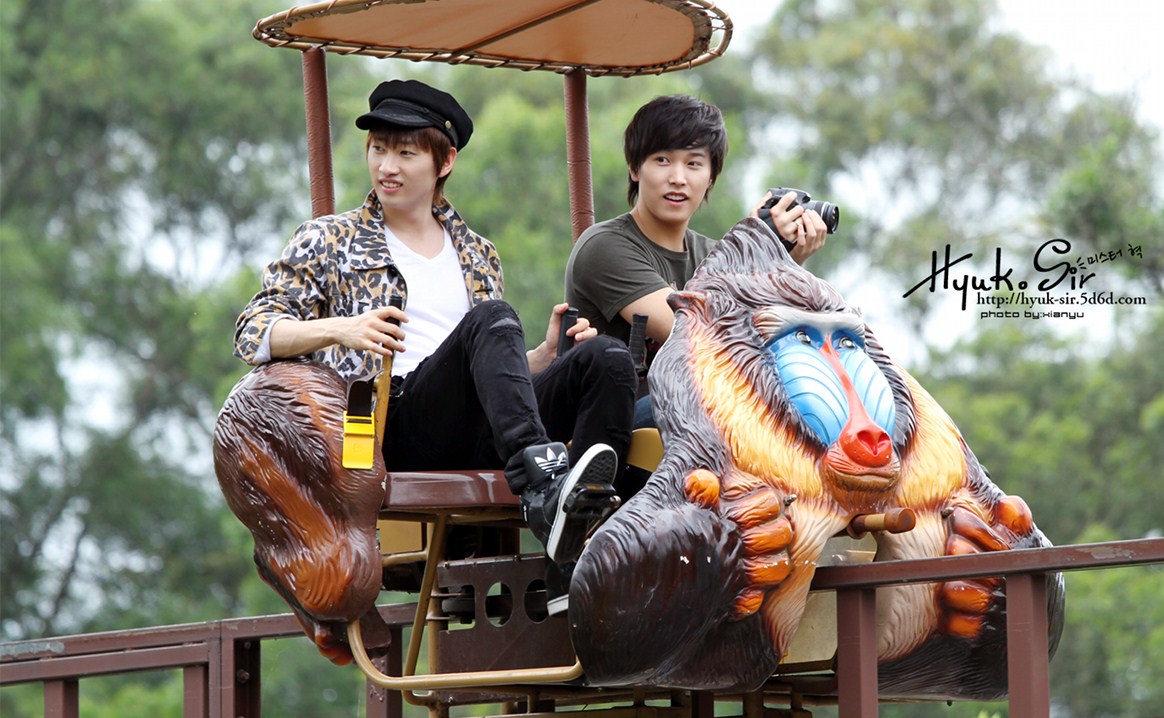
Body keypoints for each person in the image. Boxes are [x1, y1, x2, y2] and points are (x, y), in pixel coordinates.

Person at [235, 79, 637, 612]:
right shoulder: (328, 239)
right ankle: (545, 490)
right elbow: (253, 331)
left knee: (606, 358)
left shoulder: (477, 253)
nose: (387, 167)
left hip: (475, 425)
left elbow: (482, 365)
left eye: (406, 153)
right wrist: (342, 329)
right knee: (493, 317)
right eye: (379, 149)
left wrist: (541, 358)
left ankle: (574, 552)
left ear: (444, 161)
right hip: (387, 424)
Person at [564, 94, 827, 428]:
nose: (678, 178)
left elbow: (771, 342)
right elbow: (698, 336)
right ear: (634, 168)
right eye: (662, 160)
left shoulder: (712, 254)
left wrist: (783, 264)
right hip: (617, 422)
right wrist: (753, 244)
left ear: (711, 177)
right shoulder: (605, 246)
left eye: (693, 164)